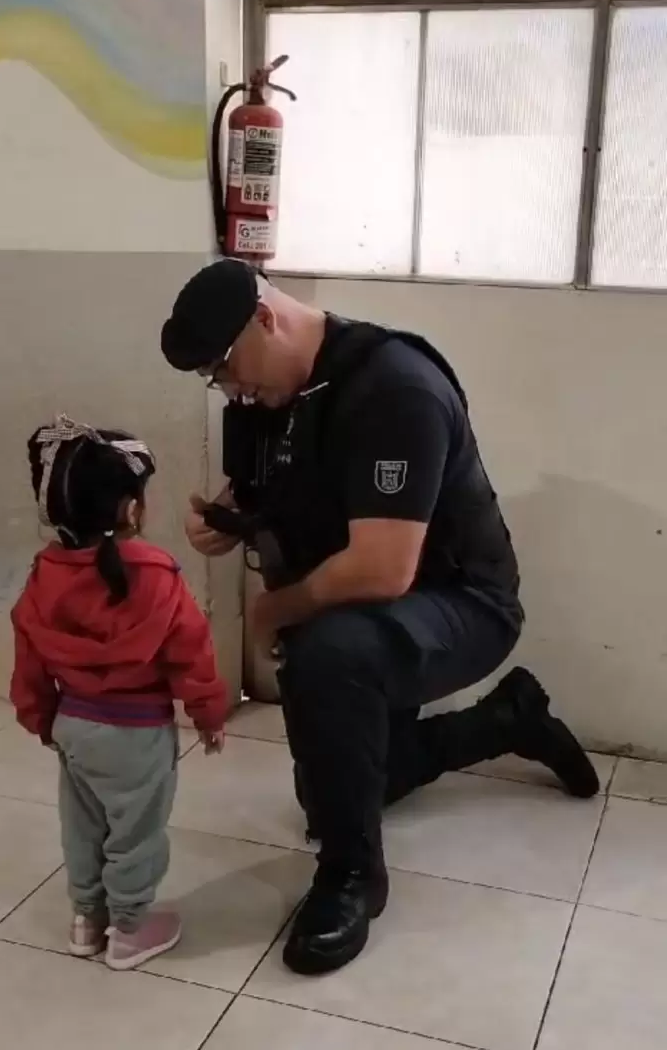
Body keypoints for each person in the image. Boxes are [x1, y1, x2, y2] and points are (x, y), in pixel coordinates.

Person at [161, 258, 599, 977]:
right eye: (215, 380)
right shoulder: (266, 396)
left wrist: (272, 610)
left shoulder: (394, 388)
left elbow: (381, 568)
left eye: (228, 369)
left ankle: (351, 878)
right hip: (368, 612)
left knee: (328, 658)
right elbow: (258, 486)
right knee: (338, 787)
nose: (229, 389)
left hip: (461, 602)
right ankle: (506, 720)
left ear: (266, 320)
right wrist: (220, 520)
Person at [10, 416, 228, 970]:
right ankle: (130, 929)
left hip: (74, 727)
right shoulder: (157, 573)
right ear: (133, 510)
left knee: (82, 824)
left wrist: (39, 718)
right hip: (138, 734)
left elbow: (29, 650)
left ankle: (87, 919)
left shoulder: (45, 572)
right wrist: (208, 714)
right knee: (136, 830)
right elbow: (191, 651)